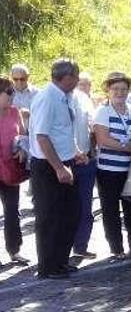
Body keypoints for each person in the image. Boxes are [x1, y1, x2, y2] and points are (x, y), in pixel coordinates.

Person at [29, 59, 83, 279]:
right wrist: (59, 168)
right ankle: (48, 266)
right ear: (66, 77)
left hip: (65, 161)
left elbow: (62, 131)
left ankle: (60, 261)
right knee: (50, 216)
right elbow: (42, 136)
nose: (78, 81)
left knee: (70, 214)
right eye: (75, 76)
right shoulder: (47, 98)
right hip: (49, 166)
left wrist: (75, 150)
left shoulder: (65, 97)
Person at [93, 73, 131, 259]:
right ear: (109, 91)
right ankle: (116, 248)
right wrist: (130, 148)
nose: (120, 92)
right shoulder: (103, 112)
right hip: (109, 170)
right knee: (111, 210)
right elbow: (102, 139)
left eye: (123, 89)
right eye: (116, 89)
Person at [0, 77, 28, 266]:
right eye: (9, 92)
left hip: (10, 170)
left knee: (12, 211)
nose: (13, 96)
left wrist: (21, 149)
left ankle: (14, 250)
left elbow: (23, 137)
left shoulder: (14, 112)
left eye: (13, 92)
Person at [70, 74, 97, 259]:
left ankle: (81, 245)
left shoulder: (84, 99)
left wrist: (91, 153)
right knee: (64, 208)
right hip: (66, 160)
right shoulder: (54, 100)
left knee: (86, 207)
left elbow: (92, 127)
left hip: (86, 160)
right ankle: (61, 249)